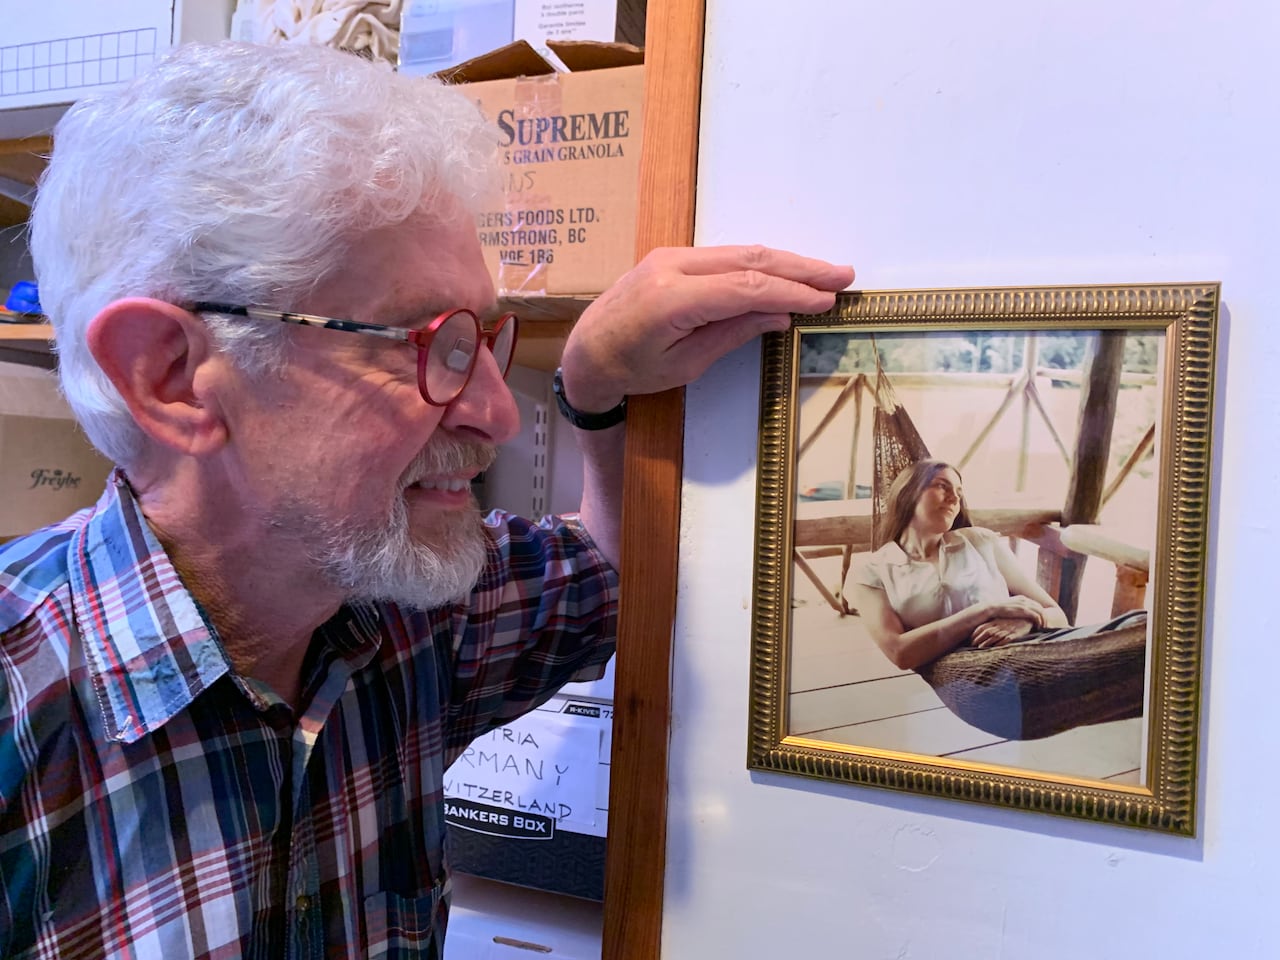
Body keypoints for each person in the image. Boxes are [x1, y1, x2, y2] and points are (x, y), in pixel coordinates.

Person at [0, 41, 853, 959]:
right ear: (172, 377)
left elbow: (612, 576)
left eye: (484, 338)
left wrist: (594, 388)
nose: (497, 415)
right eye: (429, 343)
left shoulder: (402, 616)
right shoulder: (23, 713)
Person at [847, 459, 1148, 739]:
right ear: (907, 494)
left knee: (1141, 628)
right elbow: (901, 653)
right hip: (983, 679)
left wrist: (1025, 622)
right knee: (1146, 652)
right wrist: (985, 610)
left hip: (1045, 647)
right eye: (942, 486)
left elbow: (1056, 614)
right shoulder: (872, 571)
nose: (955, 498)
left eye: (959, 491)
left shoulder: (977, 542)